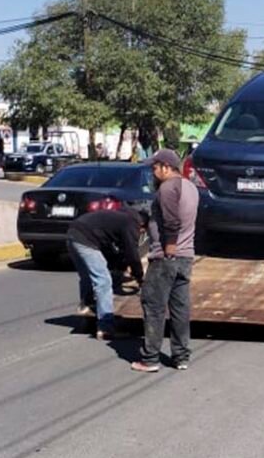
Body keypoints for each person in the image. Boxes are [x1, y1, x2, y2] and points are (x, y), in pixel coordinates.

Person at [131, 148, 199, 373]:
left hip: (166, 257)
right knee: (180, 308)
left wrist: (169, 247)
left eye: (155, 167)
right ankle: (181, 356)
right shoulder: (191, 187)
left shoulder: (168, 188)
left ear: (167, 167)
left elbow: (172, 221)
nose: (153, 172)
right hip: (186, 256)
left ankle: (150, 359)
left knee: (153, 305)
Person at [66, 207, 148, 340]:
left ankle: (87, 308)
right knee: (103, 281)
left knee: (87, 277)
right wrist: (139, 277)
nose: (141, 234)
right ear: (142, 225)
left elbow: (115, 249)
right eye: (143, 231)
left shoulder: (121, 217)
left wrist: (120, 266)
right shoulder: (131, 224)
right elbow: (132, 254)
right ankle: (106, 328)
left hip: (72, 234)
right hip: (86, 240)